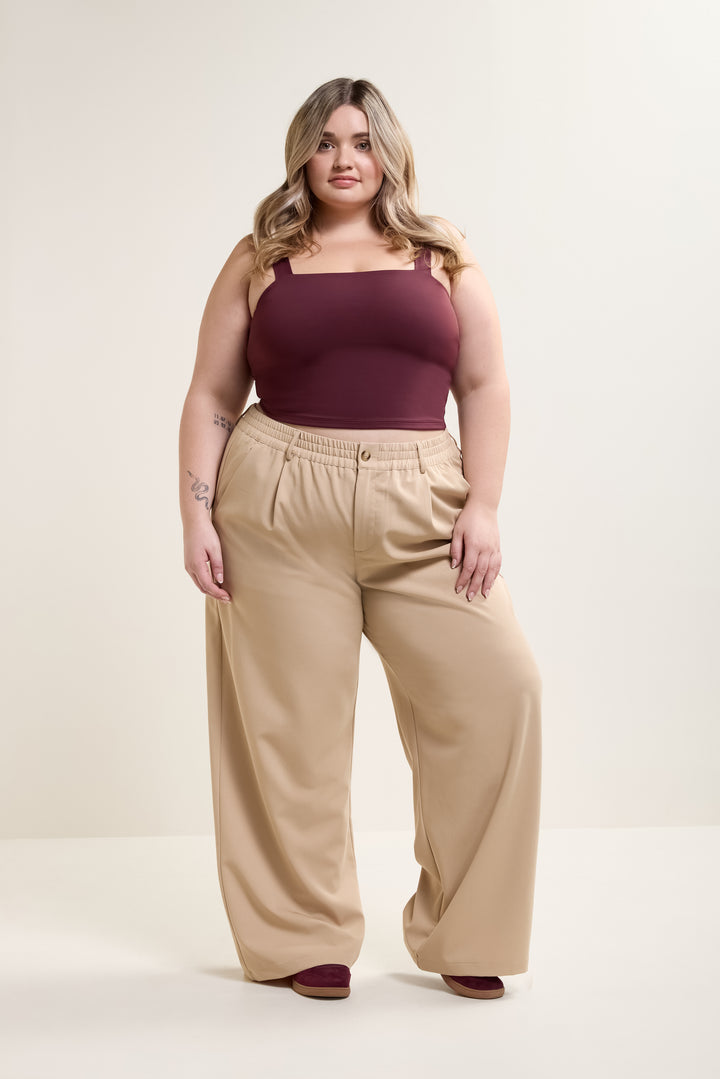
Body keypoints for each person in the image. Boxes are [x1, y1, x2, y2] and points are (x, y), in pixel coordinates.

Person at [178, 76, 542, 1002]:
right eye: (327, 140)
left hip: (424, 499)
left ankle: (471, 927)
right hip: (277, 499)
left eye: (364, 140)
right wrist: (195, 513)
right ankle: (304, 933)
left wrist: (485, 505)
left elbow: (485, 384)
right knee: (290, 726)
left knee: (499, 689)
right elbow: (213, 391)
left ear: (390, 153)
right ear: (303, 153)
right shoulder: (260, 257)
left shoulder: (442, 254)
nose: (345, 158)